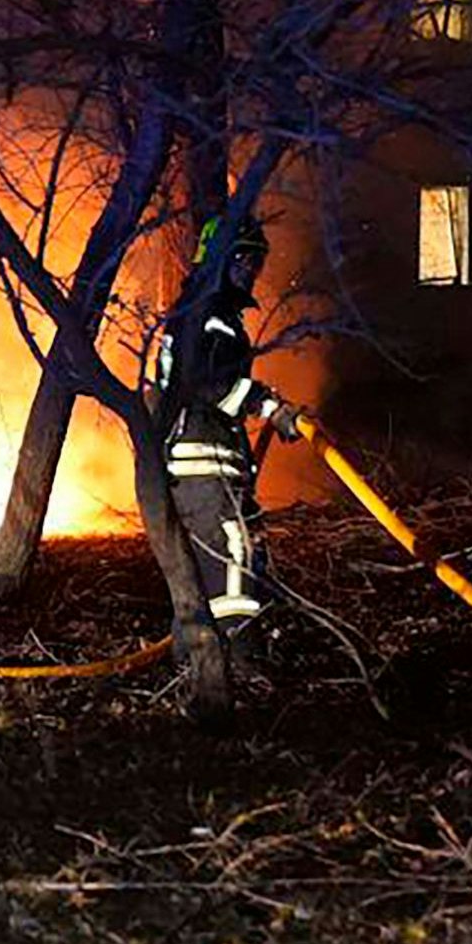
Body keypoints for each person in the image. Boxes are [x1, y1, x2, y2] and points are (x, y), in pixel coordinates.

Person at [154, 215, 304, 663]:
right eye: (243, 258)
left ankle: (199, 660)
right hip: (202, 459)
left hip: (201, 458)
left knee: (211, 563)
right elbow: (208, 383)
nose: (251, 270)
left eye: (256, 261)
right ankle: (239, 657)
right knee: (232, 550)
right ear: (221, 259)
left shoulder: (198, 311)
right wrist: (268, 406)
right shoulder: (209, 314)